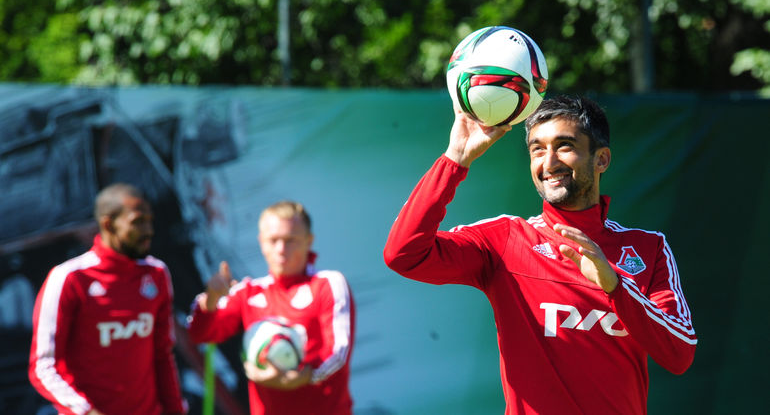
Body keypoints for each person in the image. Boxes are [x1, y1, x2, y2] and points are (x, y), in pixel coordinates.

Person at [383, 95, 697, 414]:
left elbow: (680, 353)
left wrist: (614, 285)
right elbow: (404, 254)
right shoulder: (505, 240)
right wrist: (455, 158)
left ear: (601, 159)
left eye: (564, 146)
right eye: (537, 149)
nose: (548, 164)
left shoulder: (647, 248)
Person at [29, 183, 188, 415]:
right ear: (108, 224)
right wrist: (87, 411)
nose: (149, 230)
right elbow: (43, 367)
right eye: (137, 222)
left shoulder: (156, 273)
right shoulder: (69, 278)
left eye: (149, 220)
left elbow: (162, 355)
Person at [187, 201, 355, 415]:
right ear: (261, 242)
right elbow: (199, 334)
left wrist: (302, 376)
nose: (281, 249)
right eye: (273, 240)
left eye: (290, 240)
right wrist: (210, 299)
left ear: (309, 241)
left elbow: (338, 353)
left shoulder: (328, 283)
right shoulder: (248, 292)